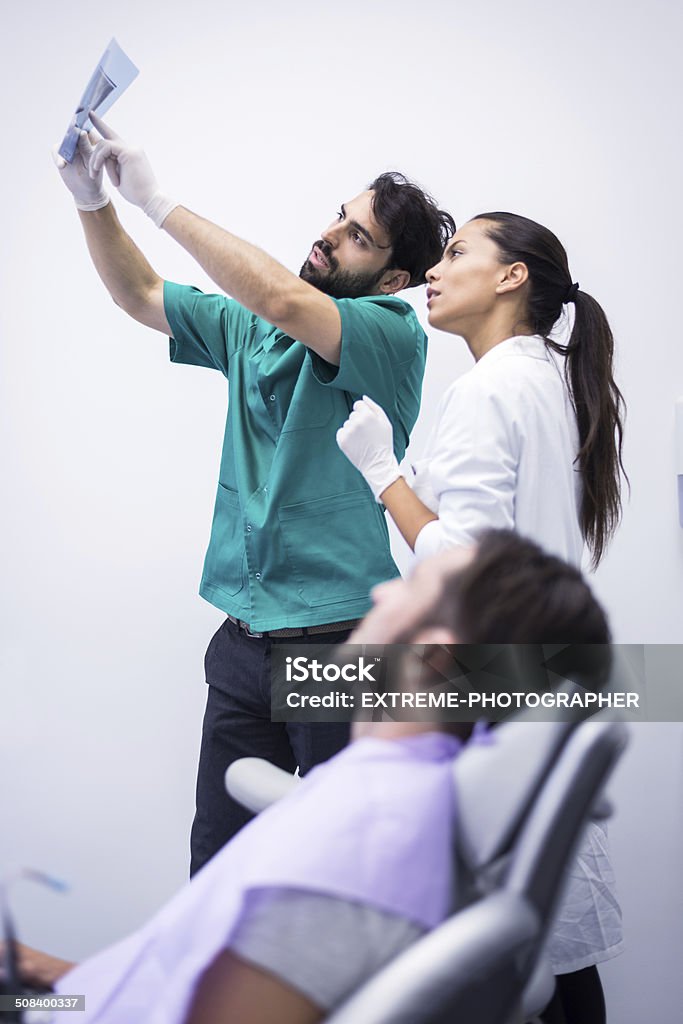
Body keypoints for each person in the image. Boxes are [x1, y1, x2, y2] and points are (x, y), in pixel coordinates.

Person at [52, 114, 455, 872]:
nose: (331, 235)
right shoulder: (251, 331)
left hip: (337, 646)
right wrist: (91, 202)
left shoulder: (389, 332)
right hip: (242, 642)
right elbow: (139, 293)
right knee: (219, 866)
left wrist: (157, 200)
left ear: (394, 279)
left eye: (358, 237)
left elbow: (284, 301)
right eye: (340, 216)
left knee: (342, 873)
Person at [11, 530, 619, 1024]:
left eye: (410, 587)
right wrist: (51, 979)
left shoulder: (364, 833)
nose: (380, 594)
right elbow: (171, 988)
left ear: (433, 651)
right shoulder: (388, 789)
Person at [337, 211, 627, 570]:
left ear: (511, 276)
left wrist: (381, 469)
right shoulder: (555, 387)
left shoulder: (485, 390)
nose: (432, 271)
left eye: (456, 253)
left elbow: (458, 560)